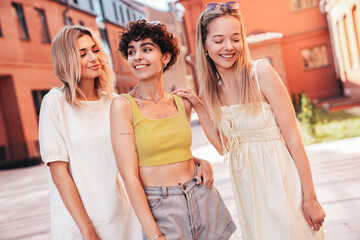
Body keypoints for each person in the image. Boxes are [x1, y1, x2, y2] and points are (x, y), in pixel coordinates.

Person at [174, 2, 326, 239]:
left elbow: (294, 138)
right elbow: (225, 147)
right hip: (249, 194)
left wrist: (310, 197)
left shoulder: (261, 74)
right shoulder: (210, 93)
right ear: (204, 45)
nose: (229, 46)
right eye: (218, 40)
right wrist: (199, 106)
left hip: (283, 185)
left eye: (235, 38)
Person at [110, 20, 236, 240]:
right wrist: (154, 235)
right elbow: (129, 176)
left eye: (146, 49)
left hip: (202, 196)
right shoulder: (123, 106)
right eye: (131, 52)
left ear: (165, 57)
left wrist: (199, 160)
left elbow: (172, 149)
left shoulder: (181, 103)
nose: (137, 57)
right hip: (162, 207)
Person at [38, 25, 141, 240]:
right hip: (78, 224)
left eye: (95, 49)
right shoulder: (55, 102)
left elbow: (141, 151)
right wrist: (86, 228)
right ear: (67, 59)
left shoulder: (113, 102)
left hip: (123, 218)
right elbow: (59, 172)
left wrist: (195, 161)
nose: (94, 57)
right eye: (83, 53)